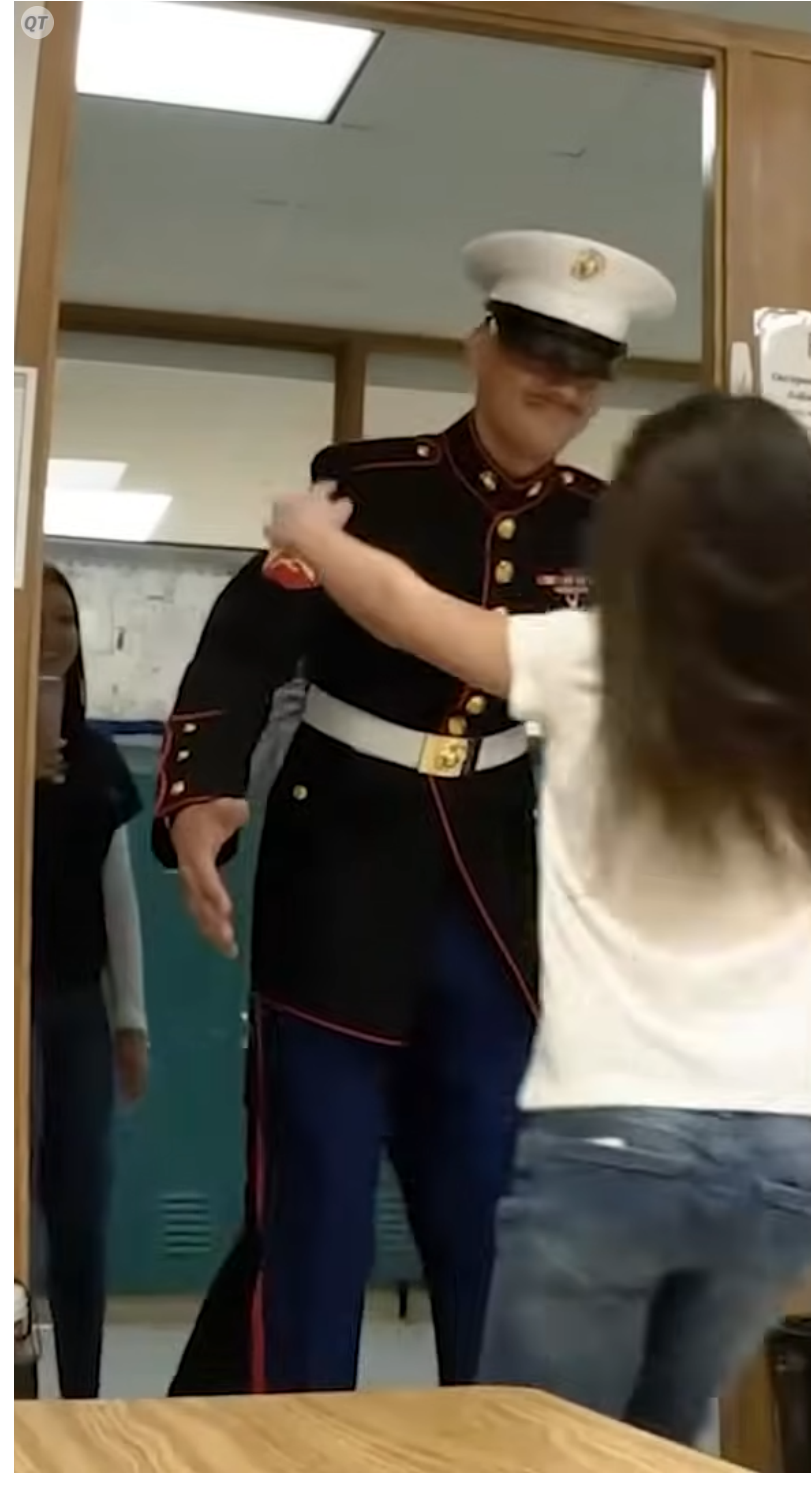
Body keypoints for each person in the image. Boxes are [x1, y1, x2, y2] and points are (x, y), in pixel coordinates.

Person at [265, 390, 811, 1444]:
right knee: (658, 1450)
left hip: (613, 1141)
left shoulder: (597, 656)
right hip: (781, 1163)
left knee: (538, 1452)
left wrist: (313, 538)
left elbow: (410, 616)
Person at [154, 231, 676, 1396]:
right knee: (320, 1211)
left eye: (591, 367)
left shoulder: (608, 524)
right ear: (479, 346)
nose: (564, 386)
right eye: (540, 351)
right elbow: (248, 644)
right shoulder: (369, 485)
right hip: (343, 870)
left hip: (494, 886)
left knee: (492, 1207)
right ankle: (290, 1457)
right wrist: (203, 796)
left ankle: (496, 1458)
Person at [32, 565, 149, 1399]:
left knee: (79, 1210)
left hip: (72, 1007)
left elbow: (119, 893)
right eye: (34, 620)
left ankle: (80, 1396)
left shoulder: (100, 757)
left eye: (66, 621)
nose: (53, 635)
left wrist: (130, 1019)